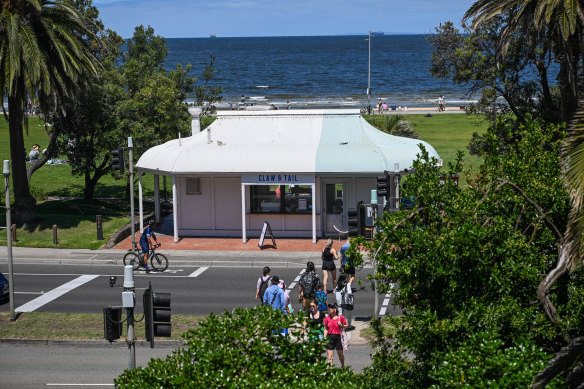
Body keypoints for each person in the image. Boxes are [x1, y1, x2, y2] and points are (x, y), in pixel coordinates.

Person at [323, 303, 348, 367]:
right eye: (329, 307)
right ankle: (330, 371)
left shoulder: (340, 317)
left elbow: (346, 326)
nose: (330, 309)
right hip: (330, 337)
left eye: (331, 307)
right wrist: (324, 338)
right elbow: (325, 329)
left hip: (338, 337)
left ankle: (343, 366)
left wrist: (341, 325)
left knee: (340, 355)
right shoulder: (327, 318)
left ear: (335, 309)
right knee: (329, 356)